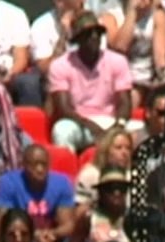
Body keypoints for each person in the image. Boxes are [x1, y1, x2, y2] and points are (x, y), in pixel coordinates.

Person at [48, 12, 132, 153]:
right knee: (62, 130)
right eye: (88, 33)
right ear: (78, 39)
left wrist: (117, 128)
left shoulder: (118, 61)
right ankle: (68, 166)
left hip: (111, 122)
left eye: (97, 32)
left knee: (142, 131)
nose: (94, 36)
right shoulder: (60, 65)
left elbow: (125, 102)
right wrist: (91, 126)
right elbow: (64, 109)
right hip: (79, 123)